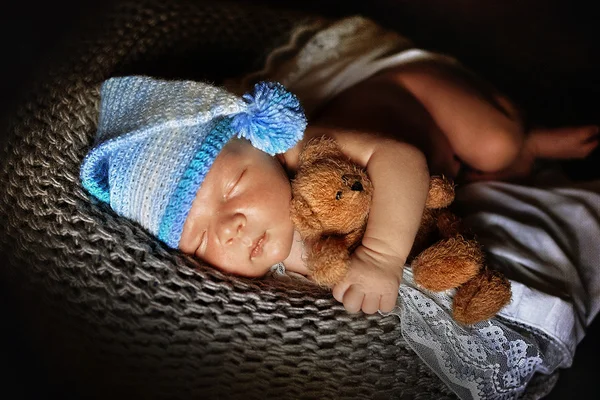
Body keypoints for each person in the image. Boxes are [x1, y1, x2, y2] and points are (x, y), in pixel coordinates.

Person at [80, 15, 600, 399]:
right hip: (437, 167)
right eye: (198, 239)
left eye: (234, 185)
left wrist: (381, 257)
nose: (232, 228)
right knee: (476, 172)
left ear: (262, 145)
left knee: (498, 147)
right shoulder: (269, 242)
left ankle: (530, 143)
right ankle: (492, 166)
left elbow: (400, 157)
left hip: (414, 99)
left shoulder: (312, 147)